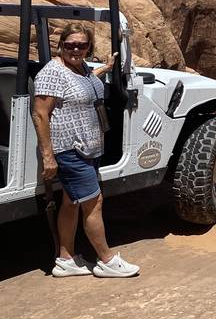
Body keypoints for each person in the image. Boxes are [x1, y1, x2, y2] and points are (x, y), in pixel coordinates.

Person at [32, 21, 140, 278]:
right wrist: (48, 155)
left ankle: (66, 258)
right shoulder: (52, 72)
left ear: (88, 47)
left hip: (88, 148)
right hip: (70, 149)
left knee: (71, 203)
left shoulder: (81, 69)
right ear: (61, 46)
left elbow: (84, 85)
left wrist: (106, 68)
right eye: (70, 45)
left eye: (82, 45)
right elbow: (40, 113)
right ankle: (107, 260)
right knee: (94, 203)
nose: (76, 49)